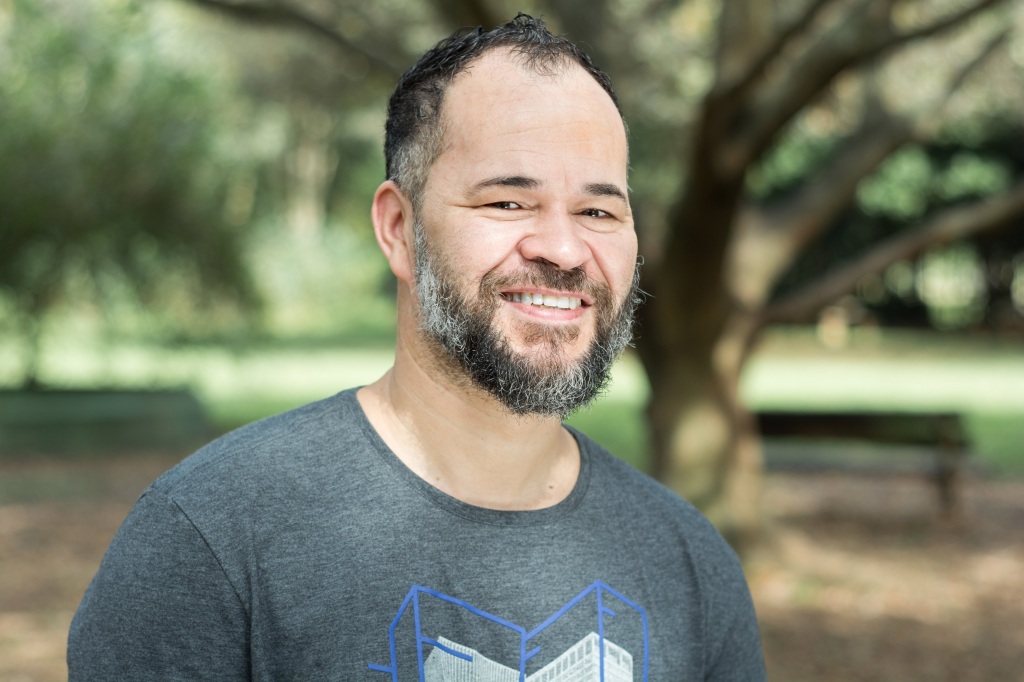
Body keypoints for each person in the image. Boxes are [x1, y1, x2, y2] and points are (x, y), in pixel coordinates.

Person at [68, 14, 766, 681]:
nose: (563, 248)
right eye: (507, 202)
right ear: (399, 229)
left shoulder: (690, 564)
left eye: (598, 211)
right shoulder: (210, 539)